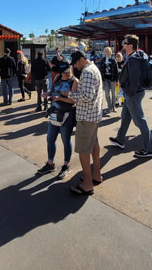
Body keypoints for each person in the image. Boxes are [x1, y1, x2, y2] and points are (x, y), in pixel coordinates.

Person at [109, 34, 152, 158]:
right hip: (131, 94)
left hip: (133, 95)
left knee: (140, 121)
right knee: (125, 117)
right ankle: (120, 140)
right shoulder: (136, 56)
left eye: (124, 43)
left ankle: (149, 149)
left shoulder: (134, 59)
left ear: (130, 45)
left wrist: (129, 92)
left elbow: (135, 80)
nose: (122, 45)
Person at [67, 51, 103, 195]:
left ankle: (87, 183)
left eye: (76, 63)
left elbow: (86, 96)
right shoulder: (94, 68)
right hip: (94, 115)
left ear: (82, 59)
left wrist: (69, 94)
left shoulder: (87, 72)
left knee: (83, 150)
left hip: (86, 116)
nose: (75, 66)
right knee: (94, 145)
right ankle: (96, 174)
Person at [37, 67, 77, 179]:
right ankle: (50, 163)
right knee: (50, 138)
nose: (65, 74)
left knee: (65, 140)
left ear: (71, 70)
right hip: (54, 113)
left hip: (67, 115)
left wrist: (60, 99)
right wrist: (47, 94)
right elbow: (52, 91)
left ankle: (66, 165)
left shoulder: (74, 81)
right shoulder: (58, 78)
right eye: (63, 72)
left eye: (67, 72)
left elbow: (74, 100)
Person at [97, 46, 119, 115]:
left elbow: (116, 71)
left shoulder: (113, 60)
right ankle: (109, 107)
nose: (107, 52)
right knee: (106, 94)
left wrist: (116, 80)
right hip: (105, 79)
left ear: (110, 52)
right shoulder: (102, 60)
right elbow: (100, 71)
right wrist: (101, 81)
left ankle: (113, 106)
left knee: (113, 93)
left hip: (112, 78)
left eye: (108, 51)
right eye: (105, 51)